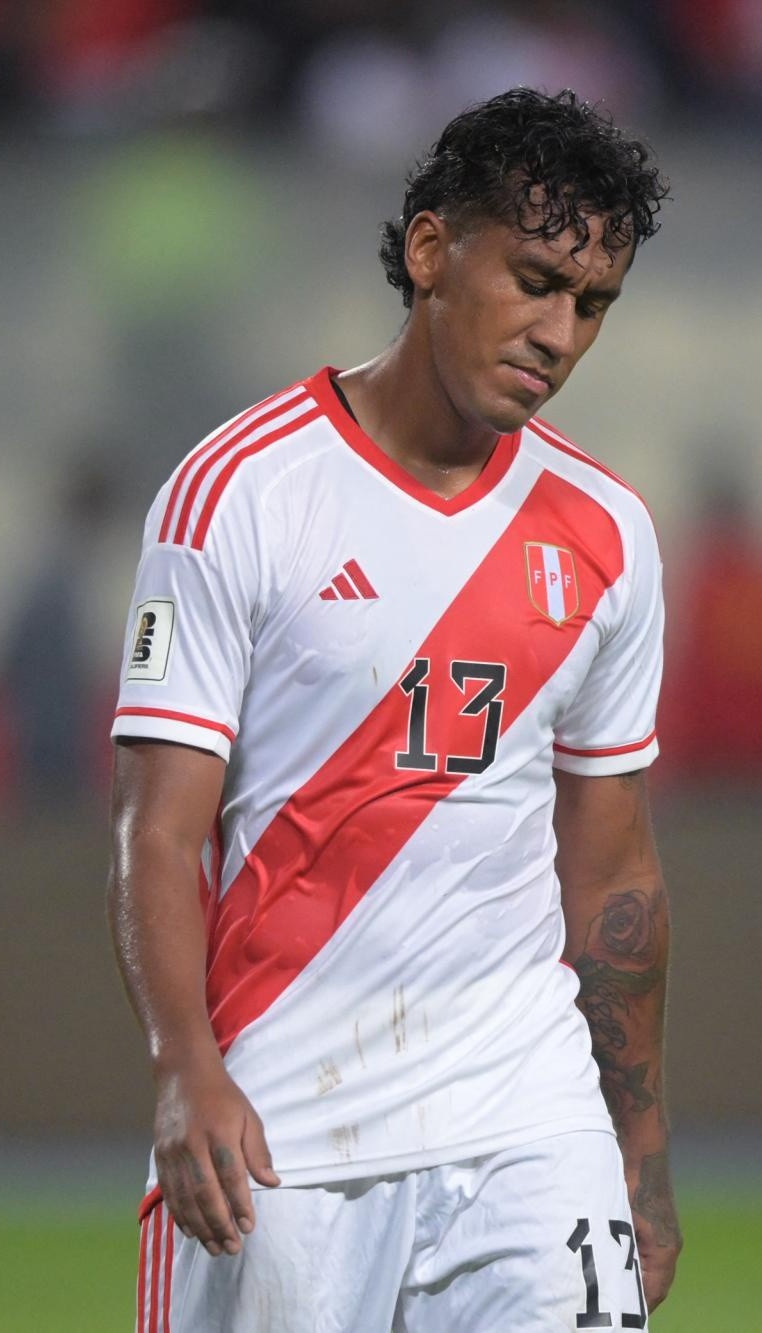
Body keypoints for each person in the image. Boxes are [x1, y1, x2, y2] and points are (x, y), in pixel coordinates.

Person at [107, 88, 676, 1330]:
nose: (558, 332)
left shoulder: (608, 536)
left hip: (528, 1114)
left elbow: (611, 860)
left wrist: (634, 1142)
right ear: (429, 252)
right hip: (287, 1122)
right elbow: (154, 832)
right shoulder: (239, 494)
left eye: (591, 305)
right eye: (533, 279)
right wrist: (181, 1067)